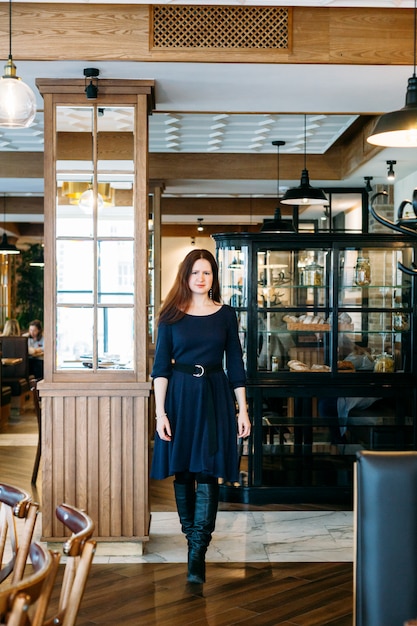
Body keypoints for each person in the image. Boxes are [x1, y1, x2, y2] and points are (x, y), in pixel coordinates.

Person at [150, 249, 251, 584]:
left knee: (207, 472)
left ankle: (197, 553)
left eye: (207, 273)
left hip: (214, 394)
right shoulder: (170, 315)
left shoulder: (225, 314)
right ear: (185, 276)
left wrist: (243, 410)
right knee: (183, 472)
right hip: (178, 396)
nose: (201, 278)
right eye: (195, 272)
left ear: (214, 278)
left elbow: (235, 364)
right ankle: (192, 539)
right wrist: (159, 412)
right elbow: (161, 368)